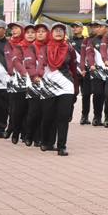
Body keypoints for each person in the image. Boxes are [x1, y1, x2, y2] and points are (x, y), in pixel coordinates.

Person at [39, 23, 81, 156]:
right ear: (51, 33)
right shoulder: (44, 49)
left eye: (61, 30)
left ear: (64, 33)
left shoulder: (69, 49)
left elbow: (74, 70)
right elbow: (39, 65)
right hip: (49, 85)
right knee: (48, 115)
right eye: (55, 30)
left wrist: (75, 88)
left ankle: (62, 146)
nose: (58, 32)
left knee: (63, 117)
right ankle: (47, 141)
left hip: (66, 85)